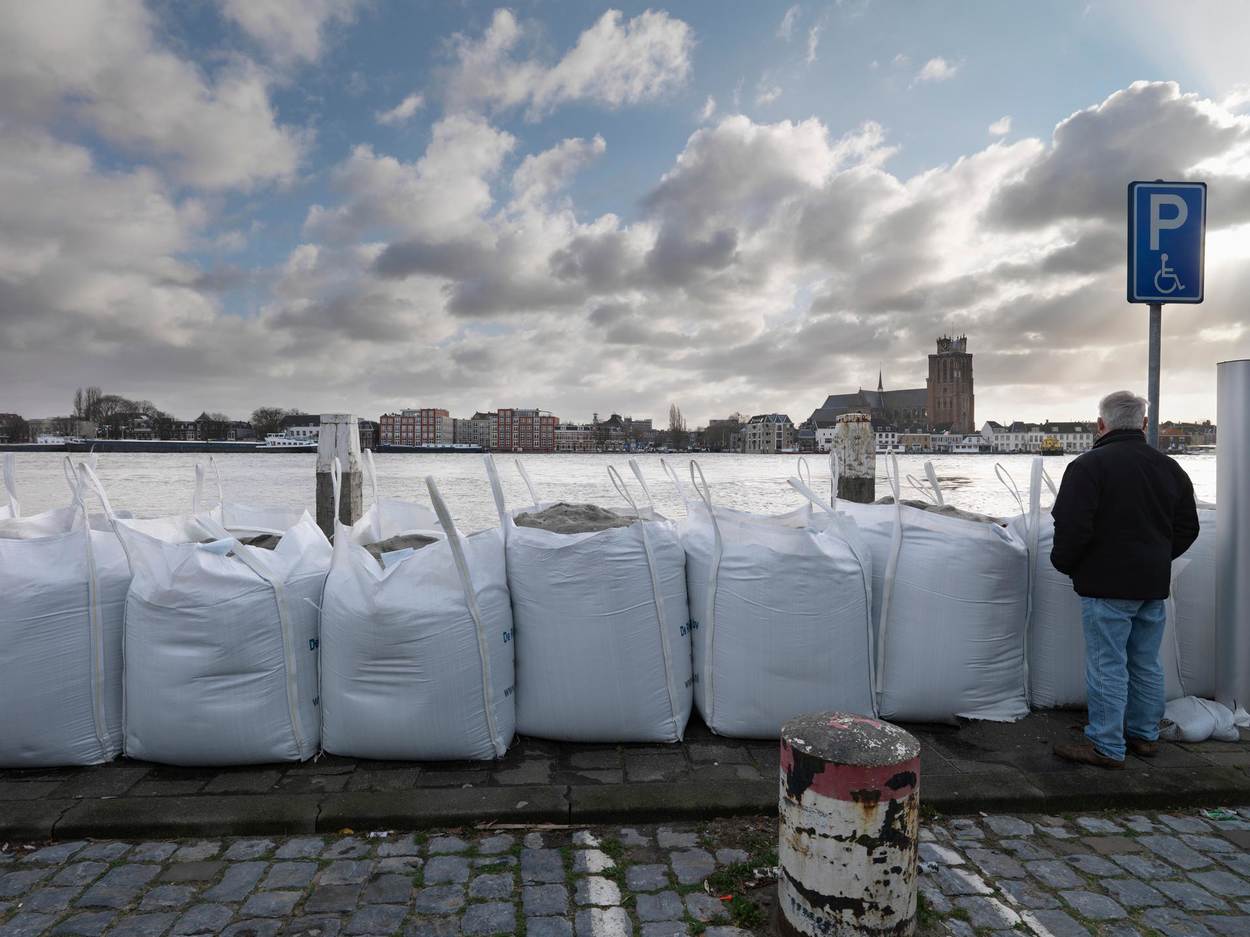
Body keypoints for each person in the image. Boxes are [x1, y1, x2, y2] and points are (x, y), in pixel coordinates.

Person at [1050, 390, 1200, 769]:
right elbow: (1188, 528)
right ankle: (1144, 736)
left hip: (1105, 585)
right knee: (1146, 662)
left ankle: (1106, 745)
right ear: (1144, 425)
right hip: (1151, 585)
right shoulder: (1170, 469)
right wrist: (1156, 558)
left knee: (1107, 664)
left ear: (1101, 425)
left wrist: (1067, 565)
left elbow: (1072, 528)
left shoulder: (1088, 467)